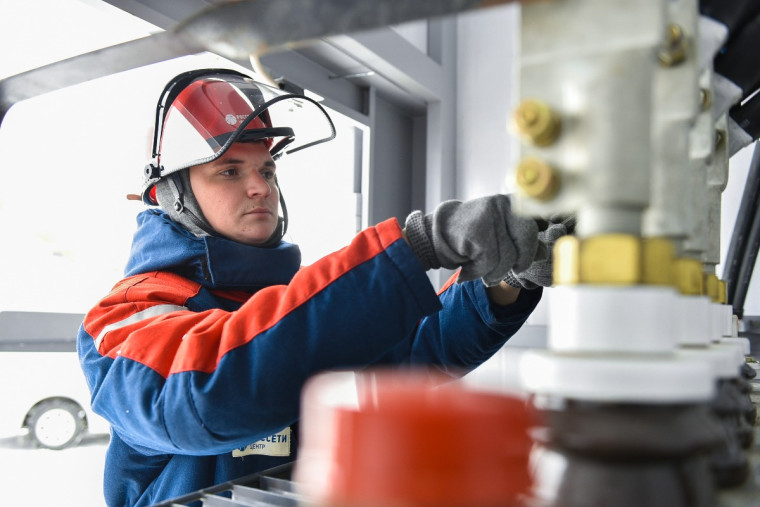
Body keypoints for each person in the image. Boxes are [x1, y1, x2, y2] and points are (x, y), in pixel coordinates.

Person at [77, 68, 571, 507]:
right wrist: (418, 245)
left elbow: (417, 354)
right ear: (171, 195)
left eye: (266, 169)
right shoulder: (125, 315)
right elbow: (204, 394)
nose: (260, 186)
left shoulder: (286, 310)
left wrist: (507, 277)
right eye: (229, 171)